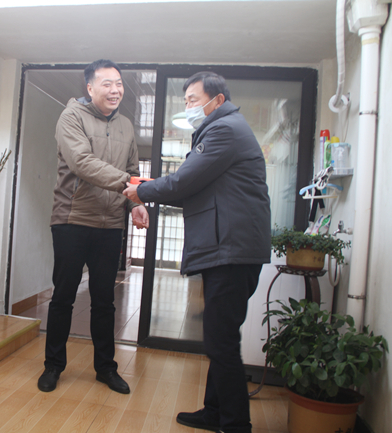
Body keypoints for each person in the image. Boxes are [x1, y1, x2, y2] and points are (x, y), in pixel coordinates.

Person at [123, 72, 271, 433]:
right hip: (232, 249)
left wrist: (143, 191)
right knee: (221, 337)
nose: (188, 106)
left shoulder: (224, 130)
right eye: (186, 100)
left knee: (222, 341)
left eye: (193, 100)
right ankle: (214, 412)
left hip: (231, 250)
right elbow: (194, 189)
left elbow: (184, 181)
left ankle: (236, 425)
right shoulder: (224, 129)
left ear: (217, 100)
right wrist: (152, 188)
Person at [37, 59, 150, 395]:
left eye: (119, 84)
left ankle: (106, 368)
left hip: (110, 223)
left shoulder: (126, 125)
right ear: (90, 87)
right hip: (72, 219)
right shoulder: (71, 116)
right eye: (107, 84)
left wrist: (135, 204)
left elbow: (132, 170)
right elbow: (82, 163)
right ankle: (53, 366)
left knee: (104, 301)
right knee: (63, 297)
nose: (115, 90)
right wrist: (131, 186)